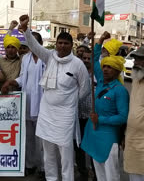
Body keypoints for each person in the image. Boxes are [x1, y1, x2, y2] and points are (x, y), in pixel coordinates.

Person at [19, 15, 90, 181]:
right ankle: (51, 178)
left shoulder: (78, 64)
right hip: (46, 114)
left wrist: (69, 101)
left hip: (65, 116)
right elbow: (34, 46)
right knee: (48, 152)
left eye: (66, 43)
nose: (62, 46)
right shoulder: (50, 57)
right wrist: (26, 30)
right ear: (56, 44)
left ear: (71, 46)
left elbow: (85, 89)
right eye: (60, 43)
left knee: (66, 154)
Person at [1, 31, 45, 176]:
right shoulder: (25, 58)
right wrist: (11, 82)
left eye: (35, 42)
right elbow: (21, 77)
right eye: (30, 42)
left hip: (43, 103)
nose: (32, 45)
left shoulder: (47, 58)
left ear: (40, 44)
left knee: (42, 139)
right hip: (27, 101)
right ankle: (30, 164)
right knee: (28, 137)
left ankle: (43, 168)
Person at [81, 54, 129, 181]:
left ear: (118, 71)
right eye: (105, 66)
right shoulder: (101, 82)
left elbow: (123, 117)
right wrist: (100, 40)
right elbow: (94, 59)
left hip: (108, 138)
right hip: (94, 134)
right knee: (99, 173)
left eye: (110, 67)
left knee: (111, 175)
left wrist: (101, 120)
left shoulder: (120, 90)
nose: (106, 69)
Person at [124, 45, 144, 181]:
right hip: (132, 140)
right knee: (134, 174)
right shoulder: (136, 78)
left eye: (139, 59)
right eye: (134, 59)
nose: (135, 63)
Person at [75, 47, 94, 181]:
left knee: (93, 148)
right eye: (84, 58)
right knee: (79, 146)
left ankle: (95, 172)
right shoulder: (76, 73)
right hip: (77, 115)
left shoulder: (98, 75)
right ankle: (82, 172)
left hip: (92, 117)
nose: (86, 61)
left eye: (89, 58)